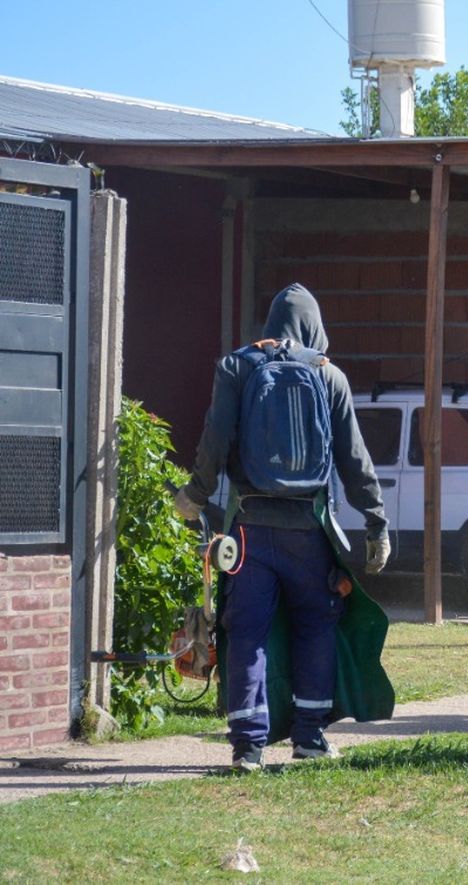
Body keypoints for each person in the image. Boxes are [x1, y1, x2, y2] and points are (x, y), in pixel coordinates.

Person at [173, 283, 391, 772]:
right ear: (314, 327)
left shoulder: (236, 367)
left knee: (246, 631)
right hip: (309, 532)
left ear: (271, 324)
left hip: (249, 529)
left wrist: (196, 494)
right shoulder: (328, 374)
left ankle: (247, 747)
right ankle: (309, 737)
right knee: (316, 625)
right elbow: (355, 459)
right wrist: (377, 522)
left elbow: (215, 437)